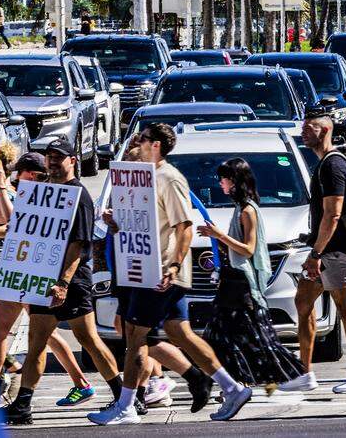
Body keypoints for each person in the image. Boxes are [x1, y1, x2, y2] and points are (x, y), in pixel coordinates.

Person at [89, 123, 252, 425]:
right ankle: (231, 387)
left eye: (143, 139)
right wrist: (115, 221)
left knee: (136, 335)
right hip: (142, 268)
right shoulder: (141, 177)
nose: (137, 142)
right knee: (179, 333)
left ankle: (125, 407)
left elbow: (185, 227)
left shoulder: (170, 178)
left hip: (161, 271)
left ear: (156, 145)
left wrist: (174, 265)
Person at [2, 137, 124, 425]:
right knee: (36, 342)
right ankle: (23, 405)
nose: (54, 161)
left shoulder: (78, 196)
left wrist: (64, 283)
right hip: (43, 278)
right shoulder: (44, 192)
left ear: (73, 160)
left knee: (89, 340)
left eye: (60, 157)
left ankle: (124, 396)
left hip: (71, 282)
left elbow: (79, 244)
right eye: (50, 156)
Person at [0, 149, 94, 407]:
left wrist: (0, 191)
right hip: (19, 269)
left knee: (44, 333)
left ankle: (79, 384)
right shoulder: (26, 192)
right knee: (1, 328)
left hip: (36, 270)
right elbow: (8, 222)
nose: (16, 179)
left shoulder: (44, 194)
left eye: (20, 175)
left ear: (30, 174)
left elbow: (10, 224)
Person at [199, 158, 306, 392]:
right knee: (222, 334)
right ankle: (233, 382)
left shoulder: (248, 210)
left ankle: (291, 374)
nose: (221, 184)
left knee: (255, 334)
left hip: (242, 282)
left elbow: (248, 248)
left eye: (224, 179)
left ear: (236, 181)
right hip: (232, 278)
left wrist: (219, 236)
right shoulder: (240, 208)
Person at [289, 110, 346, 394]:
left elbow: (333, 214)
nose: (303, 132)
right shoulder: (325, 163)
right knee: (303, 302)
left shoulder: (333, 165)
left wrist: (316, 254)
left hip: (334, 252)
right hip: (324, 252)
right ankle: (305, 373)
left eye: (308, 128)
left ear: (324, 131)